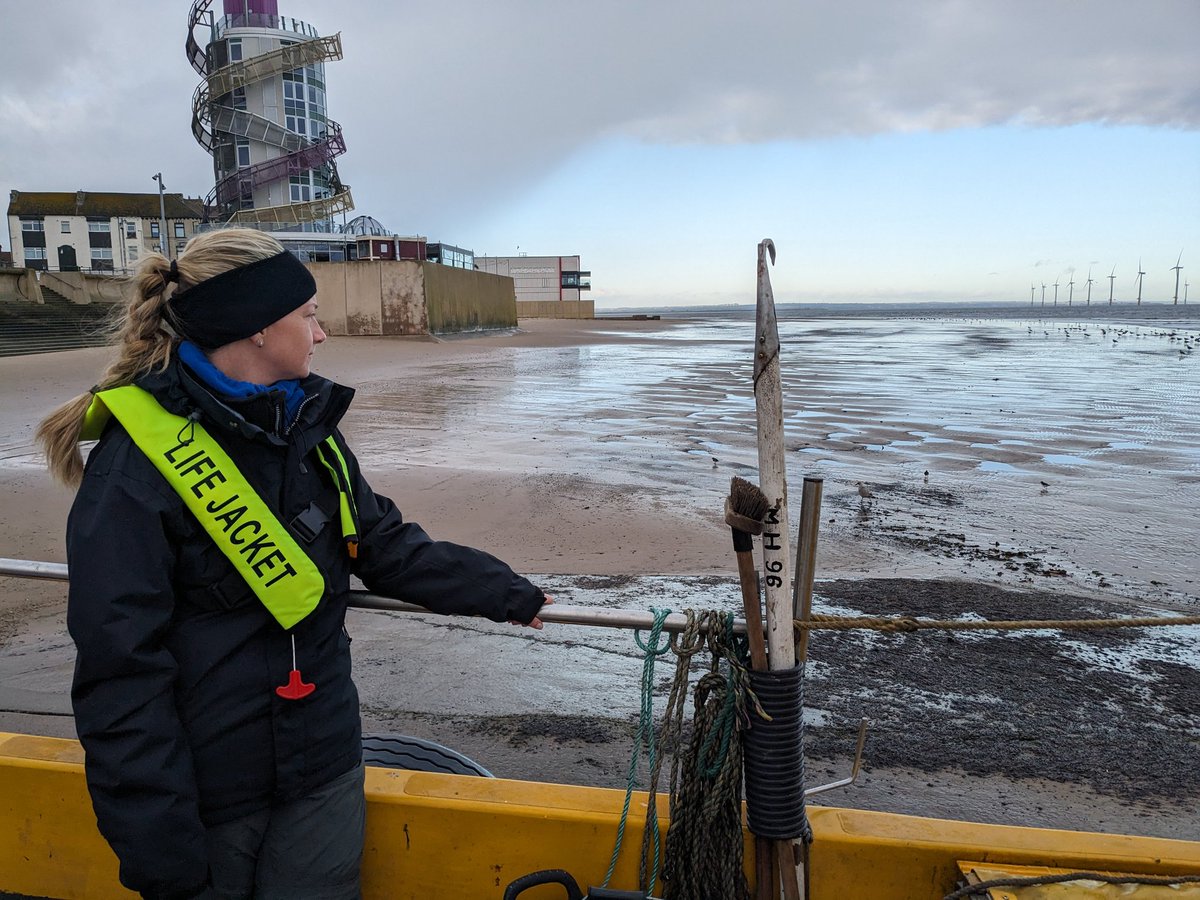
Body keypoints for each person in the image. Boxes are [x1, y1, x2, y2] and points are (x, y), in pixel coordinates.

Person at [36, 228, 551, 900]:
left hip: (324, 766)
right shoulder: (135, 472)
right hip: (211, 791)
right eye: (308, 315)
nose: (323, 333)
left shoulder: (309, 430)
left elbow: (384, 545)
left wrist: (507, 593)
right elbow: (120, 674)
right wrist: (162, 853)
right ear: (255, 327)